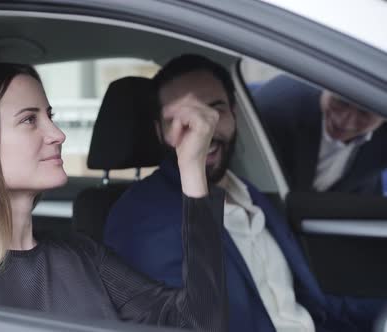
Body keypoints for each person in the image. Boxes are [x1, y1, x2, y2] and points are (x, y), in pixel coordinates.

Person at [0, 63, 227, 330]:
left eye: (49, 116)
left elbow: (197, 322)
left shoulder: (80, 253)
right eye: (29, 120)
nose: (57, 134)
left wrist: (192, 168)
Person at [104, 54, 384, 332]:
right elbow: (189, 323)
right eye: (185, 119)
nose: (205, 130)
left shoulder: (250, 193)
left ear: (235, 114)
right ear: (159, 130)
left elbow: (307, 307)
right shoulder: (140, 216)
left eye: (216, 110)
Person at [253, 75, 387, 194]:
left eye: (364, 114)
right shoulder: (275, 110)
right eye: (341, 102)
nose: (345, 122)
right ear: (324, 86)